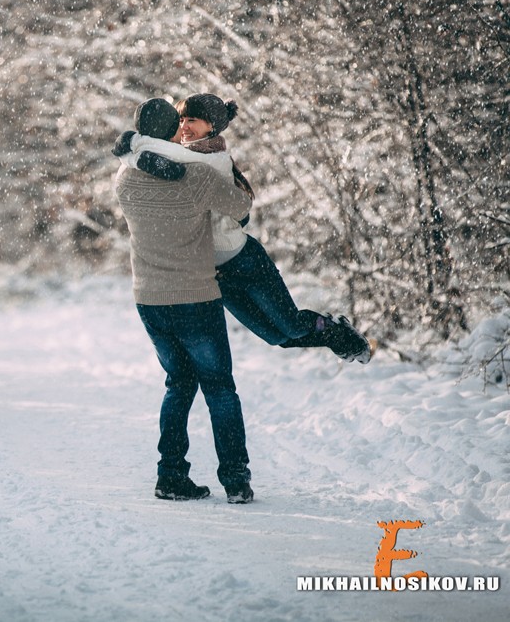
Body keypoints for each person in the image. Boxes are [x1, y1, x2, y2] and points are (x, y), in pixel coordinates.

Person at [113, 94, 373, 363]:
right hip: (216, 274)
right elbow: (161, 157)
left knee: (292, 326)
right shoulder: (185, 156)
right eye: (180, 120)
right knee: (277, 338)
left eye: (191, 120)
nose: (184, 127)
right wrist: (134, 150)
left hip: (244, 260)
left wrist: (130, 148)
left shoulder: (209, 160)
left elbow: (162, 158)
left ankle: (335, 331)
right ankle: (335, 339)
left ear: (211, 126)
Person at [114, 99, 255, 504]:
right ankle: (235, 480)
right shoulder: (194, 177)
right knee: (220, 388)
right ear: (172, 130)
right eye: (179, 123)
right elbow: (241, 207)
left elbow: (144, 159)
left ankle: (171, 476)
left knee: (178, 384)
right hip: (195, 295)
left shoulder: (124, 177)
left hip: (149, 299)